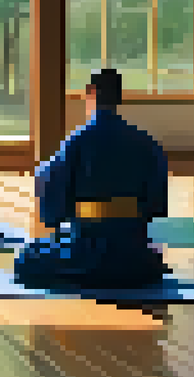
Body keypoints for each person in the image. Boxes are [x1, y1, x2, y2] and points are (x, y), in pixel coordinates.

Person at [14, 68, 170, 289]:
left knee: (28, 257)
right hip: (132, 255)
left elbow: (50, 183)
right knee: (150, 259)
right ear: (120, 96)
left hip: (85, 248)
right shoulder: (145, 142)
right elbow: (156, 203)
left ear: (90, 92)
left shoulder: (77, 140)